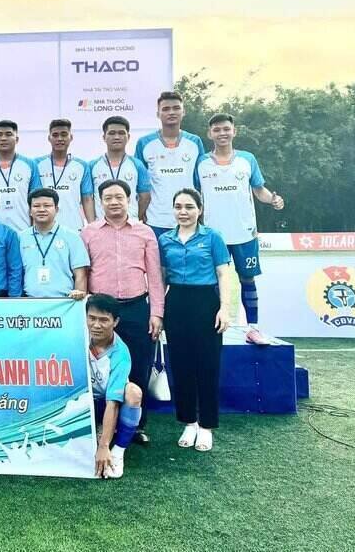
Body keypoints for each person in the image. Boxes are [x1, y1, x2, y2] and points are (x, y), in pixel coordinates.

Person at [81, 179, 165, 444]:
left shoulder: (144, 232)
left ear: (129, 199)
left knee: (139, 365)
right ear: (100, 201)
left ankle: (135, 426)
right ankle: (96, 424)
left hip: (136, 306)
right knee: (93, 366)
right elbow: (83, 272)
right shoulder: (89, 232)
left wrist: (157, 313)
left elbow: (154, 275)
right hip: (100, 308)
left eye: (119, 197)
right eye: (108, 198)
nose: (114, 202)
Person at [195, 113, 285, 345]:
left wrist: (273, 199)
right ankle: (212, 328)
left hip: (244, 233)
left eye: (226, 129)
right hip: (213, 235)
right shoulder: (201, 162)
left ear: (234, 131)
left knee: (247, 280)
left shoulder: (247, 159)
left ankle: (253, 328)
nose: (222, 133)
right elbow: (196, 195)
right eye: (217, 130)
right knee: (212, 283)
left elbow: (259, 189)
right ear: (210, 134)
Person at [158, 188, 232, 452]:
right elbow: (162, 278)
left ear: (199, 210)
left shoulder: (213, 237)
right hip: (176, 303)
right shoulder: (165, 240)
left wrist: (224, 308)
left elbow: (223, 275)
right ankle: (188, 422)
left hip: (206, 303)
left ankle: (206, 426)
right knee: (182, 366)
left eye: (189, 207)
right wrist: (158, 311)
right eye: (178, 207)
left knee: (208, 365)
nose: (183, 212)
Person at [86, 294, 144, 479]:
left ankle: (118, 452)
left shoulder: (121, 353)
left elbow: (113, 403)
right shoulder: (77, 336)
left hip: (107, 403)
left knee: (134, 393)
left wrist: (104, 448)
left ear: (115, 322)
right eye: (92, 318)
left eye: (104, 320)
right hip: (84, 401)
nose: (96, 325)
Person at [134, 92, 204, 236]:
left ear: (183, 112)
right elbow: (140, 184)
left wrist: (201, 211)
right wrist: (140, 212)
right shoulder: (144, 143)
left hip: (188, 218)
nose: (171, 112)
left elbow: (201, 182)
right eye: (165, 109)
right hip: (155, 220)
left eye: (176, 108)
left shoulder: (195, 142)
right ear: (158, 114)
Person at [16, 188, 89, 299]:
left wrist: (78, 301)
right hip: (29, 302)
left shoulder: (72, 236)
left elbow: (80, 274)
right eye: (36, 206)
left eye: (47, 206)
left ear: (56, 209)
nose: (42, 209)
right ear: (30, 211)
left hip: (64, 301)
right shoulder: (20, 238)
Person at [0, 119, 41, 231]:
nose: (3, 138)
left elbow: (36, 199)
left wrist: (34, 230)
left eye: (8, 134)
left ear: (17, 139)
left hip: (23, 230)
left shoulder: (29, 164)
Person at [85, 116, 151, 222]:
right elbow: (88, 198)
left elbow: (145, 196)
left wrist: (134, 216)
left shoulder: (137, 165)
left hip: (130, 224)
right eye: (111, 133)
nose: (116, 137)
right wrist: (93, 223)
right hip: (102, 224)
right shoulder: (92, 165)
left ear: (128, 136)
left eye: (121, 133)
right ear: (104, 137)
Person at [36, 118, 92, 232]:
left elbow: (87, 199)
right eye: (55, 135)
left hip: (74, 227)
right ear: (49, 138)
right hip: (44, 228)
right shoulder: (37, 164)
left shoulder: (82, 165)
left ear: (71, 137)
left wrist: (92, 227)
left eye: (64, 134)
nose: (59, 139)